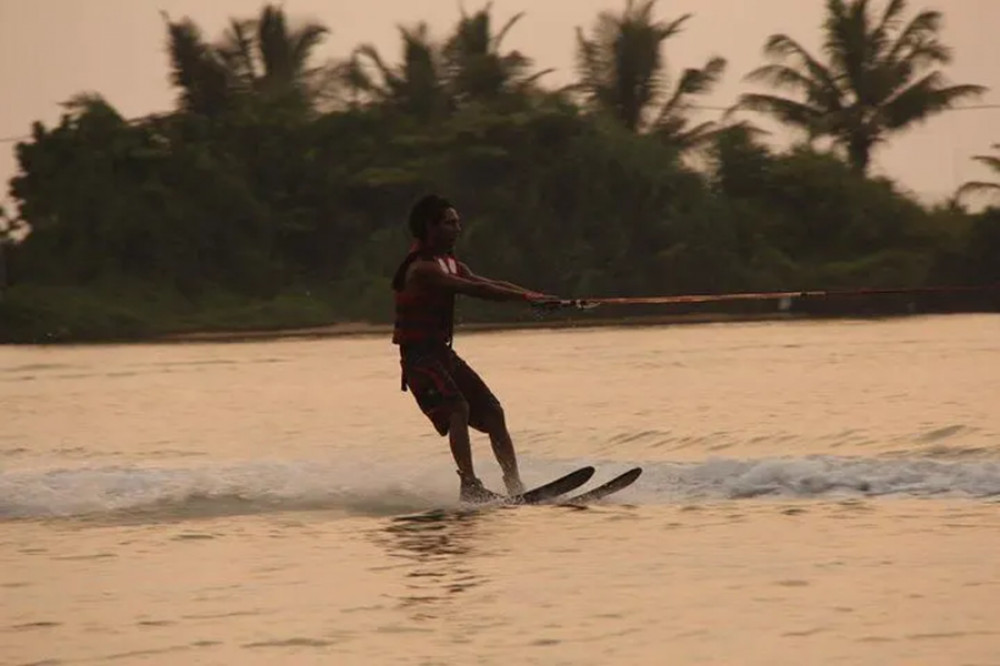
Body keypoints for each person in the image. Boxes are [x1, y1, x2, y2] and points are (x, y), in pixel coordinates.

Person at [391, 194, 559, 503]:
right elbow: (476, 290)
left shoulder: (451, 263)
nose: (457, 228)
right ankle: (469, 484)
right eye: (449, 223)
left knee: (494, 412)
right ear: (431, 227)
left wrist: (536, 296)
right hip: (418, 357)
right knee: (458, 407)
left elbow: (488, 281)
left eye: (458, 222)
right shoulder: (422, 269)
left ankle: (515, 487)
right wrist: (528, 300)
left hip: (441, 353)